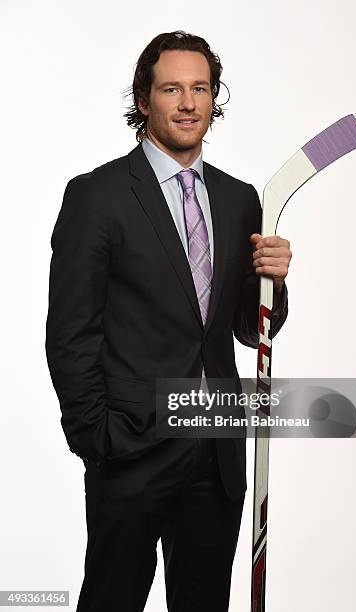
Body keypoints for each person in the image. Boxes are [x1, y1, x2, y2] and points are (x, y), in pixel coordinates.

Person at [45, 30, 291, 612]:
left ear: (214, 99)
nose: (188, 103)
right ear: (144, 100)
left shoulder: (239, 200)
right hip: (130, 448)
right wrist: (97, 439)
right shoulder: (96, 196)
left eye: (200, 89)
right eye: (172, 89)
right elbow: (71, 333)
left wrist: (273, 284)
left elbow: (249, 329)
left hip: (217, 453)